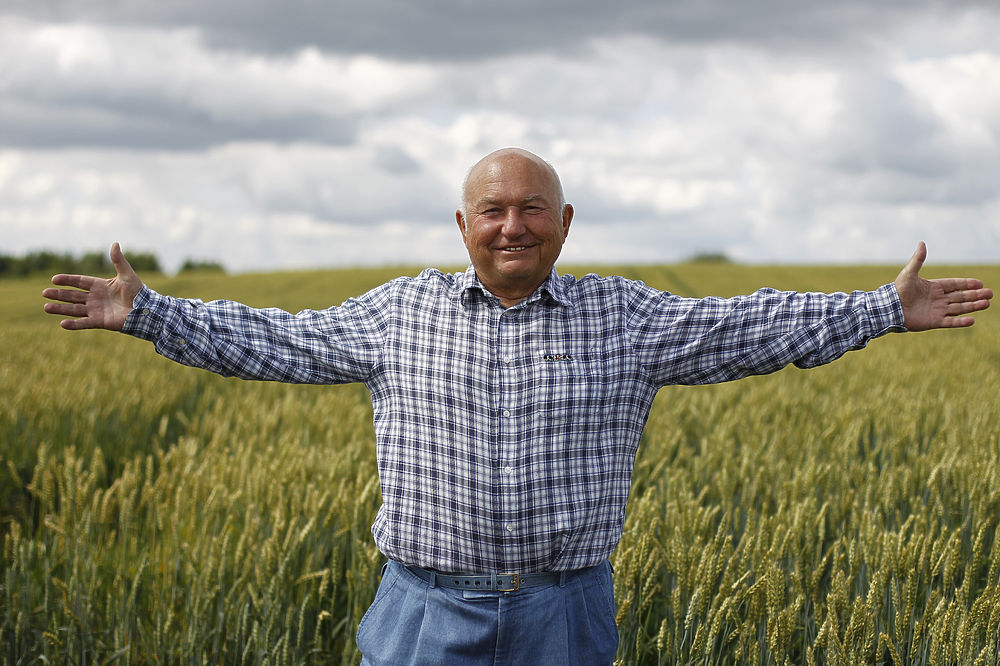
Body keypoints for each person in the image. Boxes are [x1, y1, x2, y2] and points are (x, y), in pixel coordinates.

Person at [42, 148, 992, 665]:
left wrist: (877, 309)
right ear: (463, 227)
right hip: (421, 612)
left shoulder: (626, 316)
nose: (512, 224)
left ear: (565, 223)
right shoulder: (400, 310)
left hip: (565, 618)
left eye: (533, 207)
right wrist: (151, 315)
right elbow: (276, 342)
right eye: (492, 210)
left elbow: (750, 327)